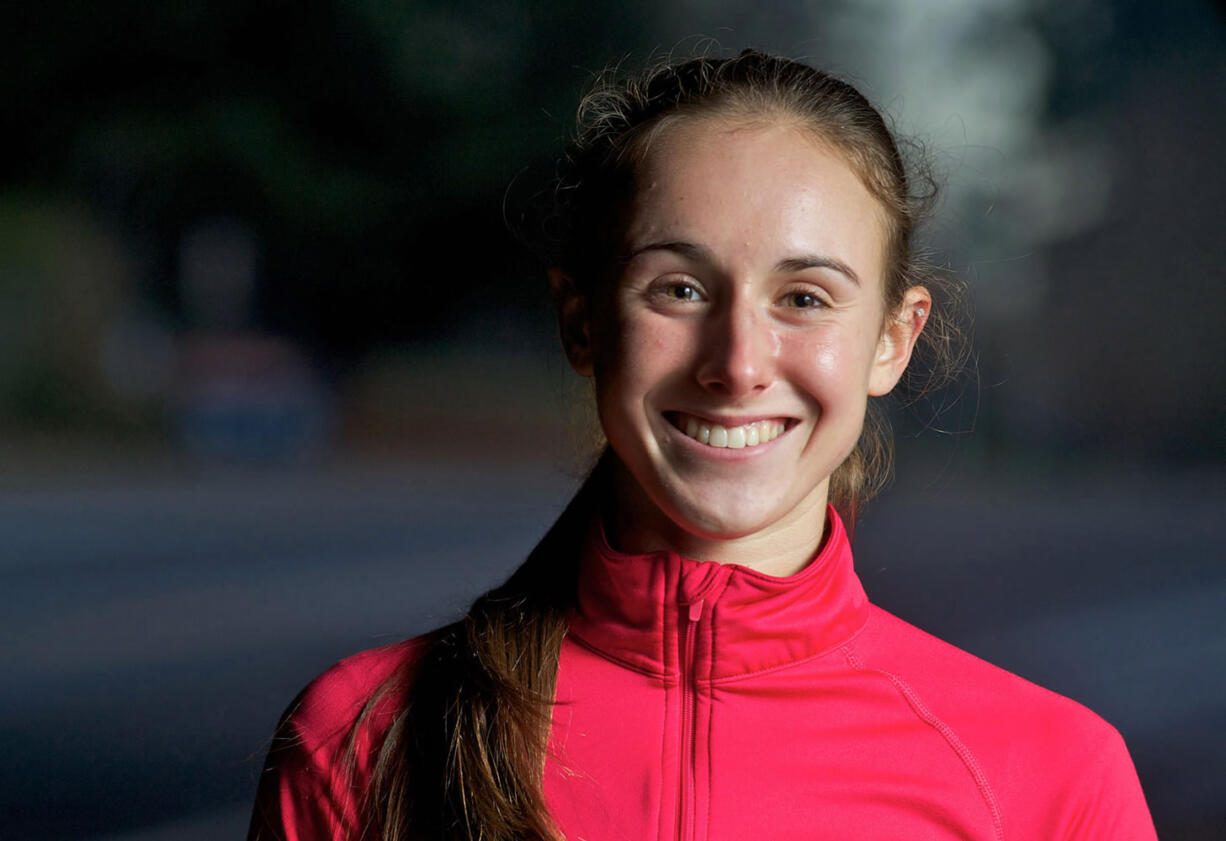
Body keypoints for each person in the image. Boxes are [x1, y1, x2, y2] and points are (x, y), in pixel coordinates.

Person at [248, 50, 1157, 841]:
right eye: (679, 289)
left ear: (893, 339)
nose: (737, 364)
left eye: (803, 297)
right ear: (582, 320)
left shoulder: (1051, 781)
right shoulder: (363, 737)